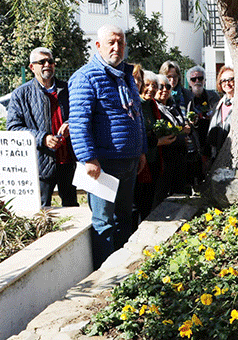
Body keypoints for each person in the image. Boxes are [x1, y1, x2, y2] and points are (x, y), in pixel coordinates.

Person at [68, 24, 147, 269]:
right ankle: (105, 275)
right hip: (103, 166)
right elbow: (79, 122)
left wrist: (141, 149)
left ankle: (124, 269)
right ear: (98, 46)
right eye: (111, 42)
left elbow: (137, 115)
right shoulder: (85, 77)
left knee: (125, 217)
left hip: (129, 162)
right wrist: (88, 158)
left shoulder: (126, 75)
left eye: (120, 42)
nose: (117, 47)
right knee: (104, 221)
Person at [6, 47, 78, 208]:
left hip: (68, 160)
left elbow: (81, 114)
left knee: (72, 208)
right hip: (41, 163)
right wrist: (43, 138)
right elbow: (13, 128)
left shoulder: (68, 90)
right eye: (42, 62)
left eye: (50, 61)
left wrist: (70, 124)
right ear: (32, 67)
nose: (47, 64)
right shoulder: (21, 94)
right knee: (41, 209)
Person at [133, 70, 175, 221]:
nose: (151, 89)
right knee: (135, 204)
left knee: (148, 203)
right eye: (147, 85)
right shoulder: (135, 105)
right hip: (139, 162)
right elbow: (137, 135)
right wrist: (158, 141)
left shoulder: (153, 106)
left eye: (154, 86)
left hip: (154, 161)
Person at [155, 74, 190, 198]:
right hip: (164, 160)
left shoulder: (173, 106)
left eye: (168, 87)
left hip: (179, 158)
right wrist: (180, 136)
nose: (165, 90)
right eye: (160, 87)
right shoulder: (154, 108)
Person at [185, 65, 220, 185]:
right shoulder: (186, 97)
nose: (197, 82)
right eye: (193, 79)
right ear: (189, 82)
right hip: (193, 138)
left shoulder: (213, 96)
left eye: (200, 78)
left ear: (205, 80)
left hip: (210, 136)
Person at [207, 66, 234, 161]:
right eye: (223, 80)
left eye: (231, 79)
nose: (227, 83)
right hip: (216, 156)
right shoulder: (217, 106)